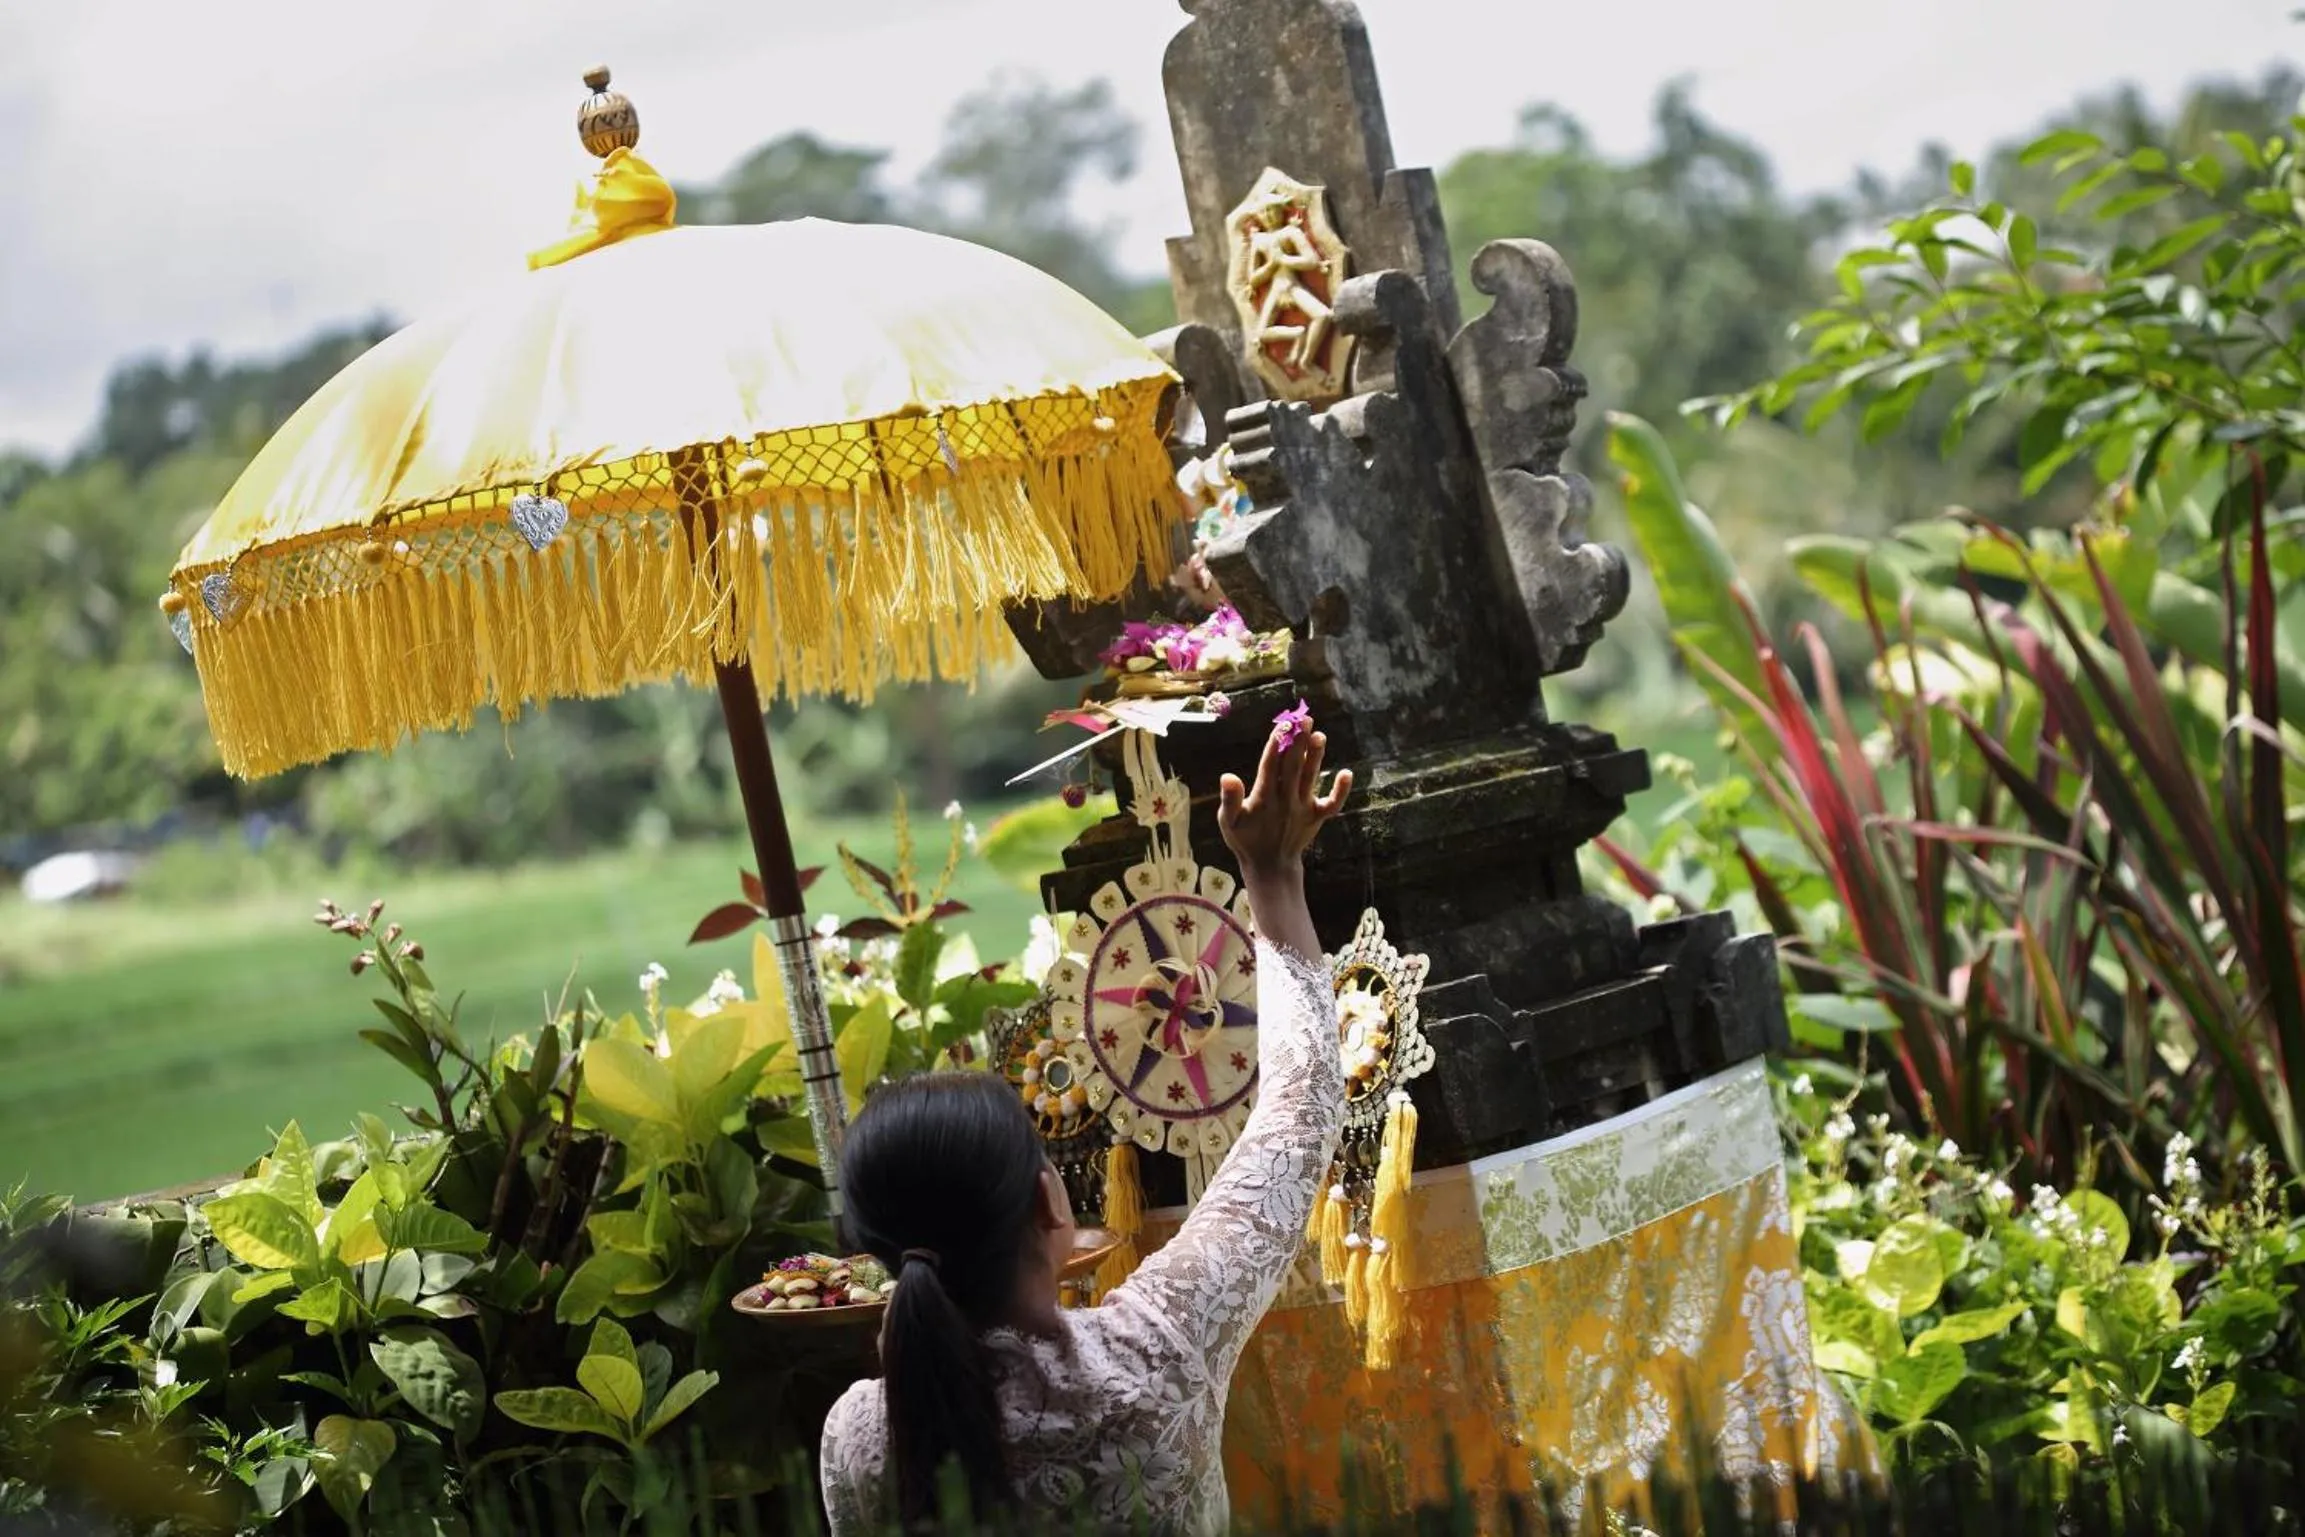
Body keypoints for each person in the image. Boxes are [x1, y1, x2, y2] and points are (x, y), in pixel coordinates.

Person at [820, 721, 1352, 1534]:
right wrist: (1272, 875)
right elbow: (1301, 1108)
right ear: (1050, 1201)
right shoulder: (1155, 1351)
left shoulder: (859, 1438)